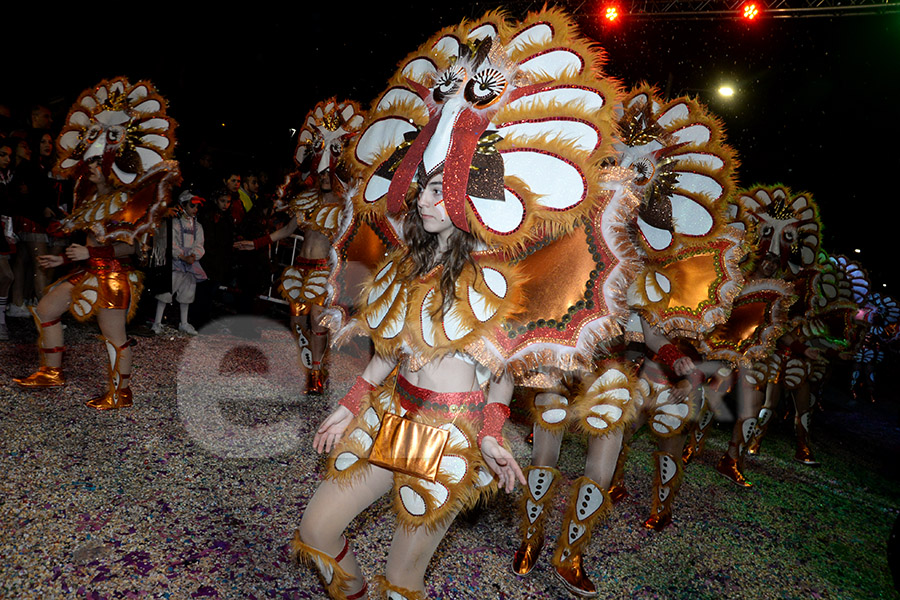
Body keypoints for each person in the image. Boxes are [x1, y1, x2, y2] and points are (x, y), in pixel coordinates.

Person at [292, 169, 525, 600]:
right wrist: (349, 403)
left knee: (402, 582)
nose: (423, 201)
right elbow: (389, 346)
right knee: (317, 528)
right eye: (425, 190)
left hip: (449, 431)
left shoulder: (495, 274)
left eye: (439, 191)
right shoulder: (408, 259)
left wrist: (491, 434)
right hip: (392, 413)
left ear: (467, 196)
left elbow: (503, 370)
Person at [12, 77, 180, 410]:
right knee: (45, 309)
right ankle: (50, 372)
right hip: (89, 270)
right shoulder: (91, 201)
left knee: (113, 334)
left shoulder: (129, 202)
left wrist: (89, 252)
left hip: (115, 276)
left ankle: (121, 393)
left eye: (94, 163)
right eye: (87, 162)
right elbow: (85, 242)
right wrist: (64, 261)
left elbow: (130, 248)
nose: (88, 168)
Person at [151, 191, 206, 335]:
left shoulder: (197, 226)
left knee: (187, 293)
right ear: (183, 205)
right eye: (192, 205)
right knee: (166, 292)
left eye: (197, 207)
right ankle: (157, 322)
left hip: (190, 264)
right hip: (176, 262)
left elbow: (199, 243)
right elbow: (171, 243)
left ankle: (184, 322)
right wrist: (181, 256)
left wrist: (194, 255)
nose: (195, 209)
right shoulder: (175, 223)